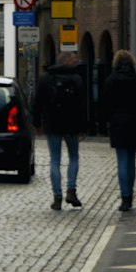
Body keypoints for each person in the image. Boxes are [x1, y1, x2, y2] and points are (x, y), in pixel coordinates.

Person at [32, 50, 87, 210]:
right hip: (71, 124)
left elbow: (37, 102)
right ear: (67, 61)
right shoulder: (76, 79)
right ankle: (71, 189)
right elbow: (82, 105)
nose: (76, 62)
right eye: (74, 59)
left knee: (55, 160)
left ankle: (57, 196)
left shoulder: (46, 78)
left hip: (52, 123)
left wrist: (37, 123)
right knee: (74, 157)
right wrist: (83, 127)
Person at [102, 49, 136, 212]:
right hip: (134, 122)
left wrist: (104, 124)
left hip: (118, 123)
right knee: (131, 160)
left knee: (122, 160)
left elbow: (105, 103)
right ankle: (129, 196)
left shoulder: (112, 80)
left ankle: (124, 197)